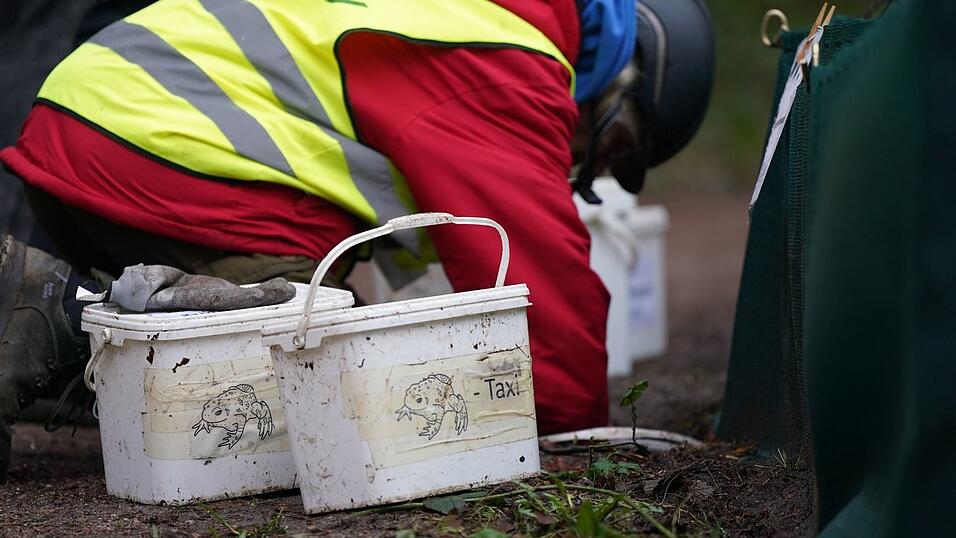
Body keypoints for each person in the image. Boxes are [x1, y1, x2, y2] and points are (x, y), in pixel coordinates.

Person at [0, 0, 712, 478]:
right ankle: (47, 317)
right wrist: (574, 427)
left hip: (108, 129)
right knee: (325, 360)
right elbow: (542, 298)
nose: (586, 158)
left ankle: (94, 342)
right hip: (152, 147)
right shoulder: (502, 57)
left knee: (325, 340)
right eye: (612, 141)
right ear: (620, 62)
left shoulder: (464, 14)